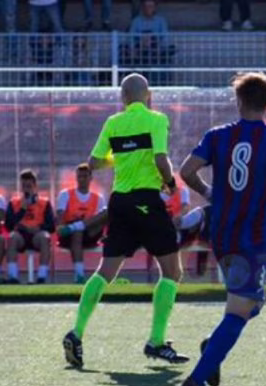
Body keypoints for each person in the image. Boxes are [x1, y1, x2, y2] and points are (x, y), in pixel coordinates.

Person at [178, 71, 266, 386]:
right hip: (252, 235)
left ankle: (213, 347)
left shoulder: (217, 135)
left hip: (221, 232)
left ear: (238, 101)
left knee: (251, 303)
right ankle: (197, 379)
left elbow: (187, 171)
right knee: (242, 307)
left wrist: (209, 193)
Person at [61, 73, 187, 369]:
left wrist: (121, 156)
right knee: (172, 271)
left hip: (119, 203)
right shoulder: (157, 119)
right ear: (149, 95)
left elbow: (93, 163)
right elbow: (161, 159)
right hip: (147, 200)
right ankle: (156, 341)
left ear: (123, 98)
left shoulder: (113, 123)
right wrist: (170, 183)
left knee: (105, 271)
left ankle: (76, 333)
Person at [55, 163, 107, 284]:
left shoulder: (98, 198)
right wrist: (61, 227)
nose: (82, 179)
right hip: (67, 235)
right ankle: (79, 274)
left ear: (90, 178)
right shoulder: (65, 194)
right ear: (76, 177)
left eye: (85, 176)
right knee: (77, 231)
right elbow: (60, 216)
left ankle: (76, 227)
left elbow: (101, 219)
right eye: (79, 176)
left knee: (107, 212)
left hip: (90, 234)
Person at [5, 170, 55, 284]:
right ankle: (13, 276)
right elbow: (8, 225)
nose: (26, 189)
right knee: (12, 237)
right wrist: (22, 210)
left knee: (45, 237)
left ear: (35, 186)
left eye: (29, 186)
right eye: (24, 186)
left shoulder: (44, 203)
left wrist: (39, 227)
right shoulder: (14, 203)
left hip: (37, 235)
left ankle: (41, 276)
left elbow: (51, 226)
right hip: (20, 236)